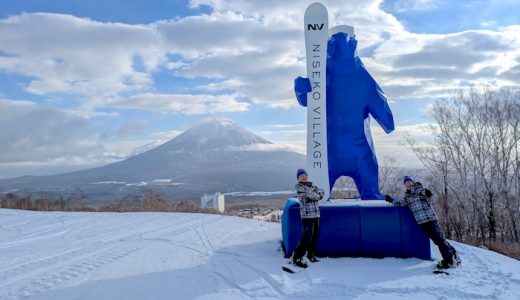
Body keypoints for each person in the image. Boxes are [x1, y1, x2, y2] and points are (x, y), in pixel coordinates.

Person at [385, 176, 461, 269]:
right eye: (406, 183)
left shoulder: (421, 191)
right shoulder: (407, 197)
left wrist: (429, 194)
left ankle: (449, 261)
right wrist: (391, 200)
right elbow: (400, 203)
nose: (408, 184)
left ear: (413, 182)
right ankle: (452, 254)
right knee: (438, 240)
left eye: (409, 182)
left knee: (439, 240)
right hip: (422, 222)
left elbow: (433, 200)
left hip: (430, 219)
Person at [291, 168, 324, 268]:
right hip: (307, 216)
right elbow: (314, 196)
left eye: (305, 175)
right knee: (306, 238)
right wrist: (315, 195)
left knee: (315, 237)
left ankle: (311, 255)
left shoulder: (312, 186)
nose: (304, 177)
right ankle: (297, 258)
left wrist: (314, 195)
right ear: (298, 178)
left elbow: (321, 191)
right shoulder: (299, 188)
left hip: (316, 215)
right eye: (301, 176)